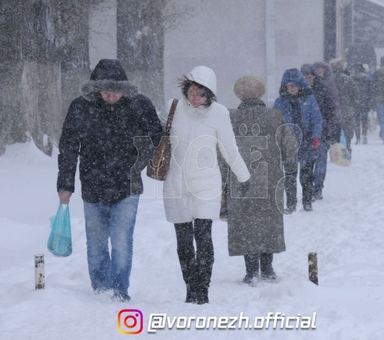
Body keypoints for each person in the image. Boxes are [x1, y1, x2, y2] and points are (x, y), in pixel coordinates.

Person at [56, 59, 164, 302]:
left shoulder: (139, 105)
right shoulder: (81, 107)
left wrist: (138, 161)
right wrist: (65, 185)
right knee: (95, 244)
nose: (111, 96)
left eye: (115, 92)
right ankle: (101, 288)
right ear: (96, 89)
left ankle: (119, 290)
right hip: (92, 185)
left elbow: (157, 138)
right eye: (106, 92)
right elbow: (69, 147)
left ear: (124, 89)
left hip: (128, 186)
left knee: (121, 241)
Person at [161, 65, 250, 304]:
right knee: (183, 242)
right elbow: (154, 137)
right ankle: (190, 287)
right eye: (191, 92)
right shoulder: (173, 108)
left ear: (210, 94)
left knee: (202, 236)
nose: (194, 98)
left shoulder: (219, 113)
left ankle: (203, 289)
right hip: (176, 184)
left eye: (200, 94)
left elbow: (229, 149)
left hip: (206, 184)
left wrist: (244, 176)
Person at [224, 75, 298, 286]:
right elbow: (290, 147)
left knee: (246, 223)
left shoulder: (231, 118)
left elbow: (221, 152)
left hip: (241, 180)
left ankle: (250, 271)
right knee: (268, 222)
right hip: (270, 178)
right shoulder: (275, 117)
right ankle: (267, 268)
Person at [274, 68, 322, 212]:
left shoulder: (309, 99)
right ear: (286, 87)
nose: (292, 88)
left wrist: (316, 136)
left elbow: (316, 119)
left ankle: (307, 201)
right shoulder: (280, 102)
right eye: (289, 85)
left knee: (307, 173)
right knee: (289, 175)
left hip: (306, 140)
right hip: (288, 143)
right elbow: (275, 122)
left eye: (295, 85)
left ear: (300, 85)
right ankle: (291, 203)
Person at [308, 62, 340, 201]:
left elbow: (332, 110)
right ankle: (310, 188)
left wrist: (332, 130)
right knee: (309, 162)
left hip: (322, 130)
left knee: (319, 160)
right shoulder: (303, 91)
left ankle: (317, 188)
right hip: (311, 131)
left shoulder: (324, 88)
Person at [330, 58, 358, 155]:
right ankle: (347, 149)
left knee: (334, 131)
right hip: (346, 108)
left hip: (332, 109)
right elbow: (355, 94)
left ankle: (336, 151)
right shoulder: (347, 79)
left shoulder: (328, 79)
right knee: (347, 130)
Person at [350, 63, 372, 144]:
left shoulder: (351, 78)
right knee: (364, 119)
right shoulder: (366, 78)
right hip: (364, 101)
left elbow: (350, 91)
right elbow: (370, 90)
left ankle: (358, 137)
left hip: (355, 102)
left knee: (356, 120)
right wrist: (370, 100)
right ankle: (364, 136)